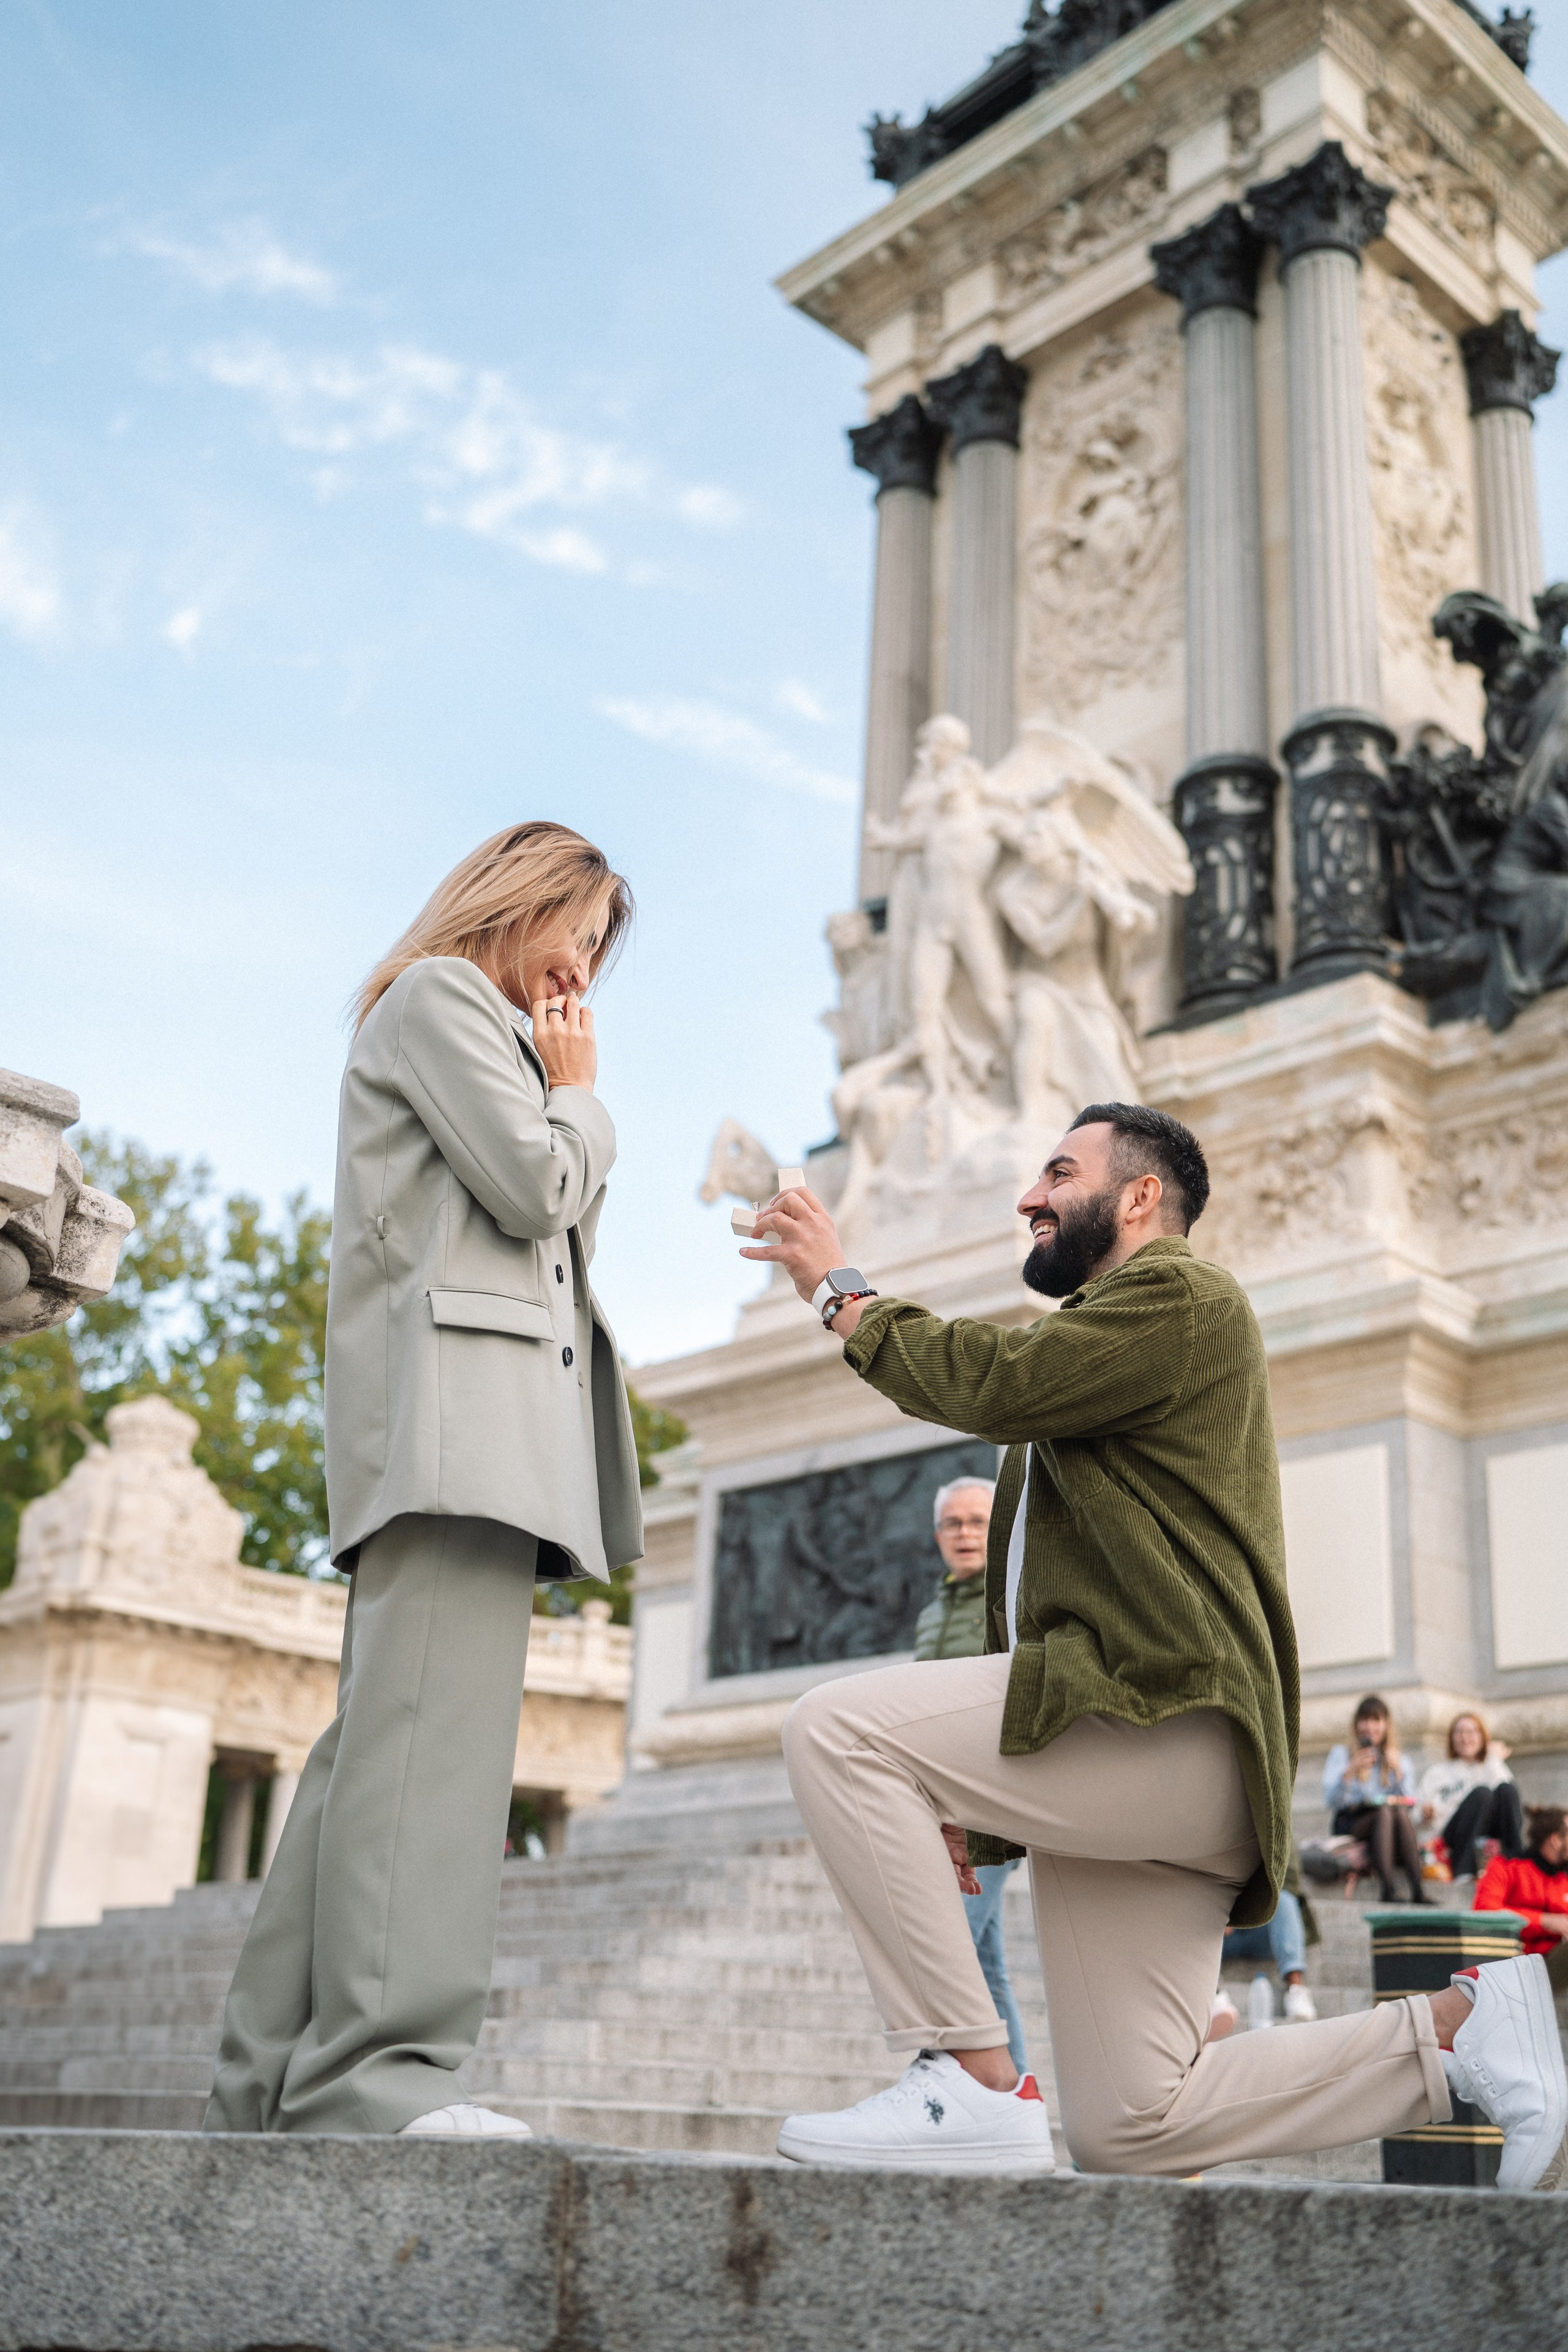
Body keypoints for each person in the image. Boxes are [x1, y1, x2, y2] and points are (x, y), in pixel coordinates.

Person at [740, 1102, 1568, 2187]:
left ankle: (974, 2082)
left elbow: (994, 1384)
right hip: (1130, 1758)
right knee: (1133, 2125)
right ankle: (1461, 2032)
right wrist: (961, 1788)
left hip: (1162, 1718)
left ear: (1139, 1198)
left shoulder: (1180, 1293)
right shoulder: (1106, 1348)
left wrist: (840, 1292)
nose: (1029, 1197)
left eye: (1058, 1173)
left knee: (835, 1730)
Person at [203, 821, 643, 2138]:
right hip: (467, 1434)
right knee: (433, 1766)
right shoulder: (445, 995)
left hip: (462, 1429)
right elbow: (532, 1185)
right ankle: (382, 2080)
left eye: (600, 949)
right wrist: (581, 1092)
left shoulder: (438, 1015)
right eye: (580, 931)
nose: (583, 969)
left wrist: (556, 1099)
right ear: (522, 905)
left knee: (378, 1762)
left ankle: (268, 2080)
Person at [914, 1477, 1029, 2076]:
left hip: (989, 1797)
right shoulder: (934, 1609)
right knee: (984, 1962)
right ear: (938, 1535)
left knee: (948, 1945)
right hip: (942, 1799)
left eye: (976, 1522)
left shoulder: (1011, 1596)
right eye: (952, 1523)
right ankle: (1016, 2093)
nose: (963, 1534)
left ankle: (938, 2067)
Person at [1322, 1697, 1430, 1907]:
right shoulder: (1341, 1755)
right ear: (1356, 1725)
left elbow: (1410, 1803)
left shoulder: (1399, 1760)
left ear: (1386, 1726)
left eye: (1376, 1720)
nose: (1370, 1727)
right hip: (1352, 1820)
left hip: (1388, 1825)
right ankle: (1388, 1889)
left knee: (1393, 1812)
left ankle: (1418, 1890)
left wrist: (1398, 1772)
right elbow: (1330, 1801)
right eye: (1365, 1720)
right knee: (1386, 1813)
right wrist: (1350, 1771)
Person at [1211, 1853, 1318, 2030]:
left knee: (1284, 1900)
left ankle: (1296, 1989)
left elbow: (1290, 1880)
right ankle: (1213, 1991)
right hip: (1221, 1932)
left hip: (1262, 1928)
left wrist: (1239, 1908)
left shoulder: (1276, 1829)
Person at [1419, 1711, 1523, 1881]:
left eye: (1472, 1732)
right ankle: (1464, 1870)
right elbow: (1416, 1816)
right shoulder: (1437, 1773)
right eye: (1459, 1732)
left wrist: (1494, 1760)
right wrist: (1425, 1814)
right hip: (1451, 1837)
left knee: (1506, 1790)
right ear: (1452, 1738)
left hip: (1487, 1837)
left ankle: (1517, 1861)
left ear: (1483, 1737)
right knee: (1482, 1794)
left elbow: (1509, 1798)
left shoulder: (1491, 1765)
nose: (1465, 1738)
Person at [1476, 1807, 1568, 1995]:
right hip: (1513, 1963)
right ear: (1555, 1840)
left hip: (1554, 1963)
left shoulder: (1564, 1876)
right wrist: (1545, 1921)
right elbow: (1485, 1911)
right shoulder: (1508, 1865)